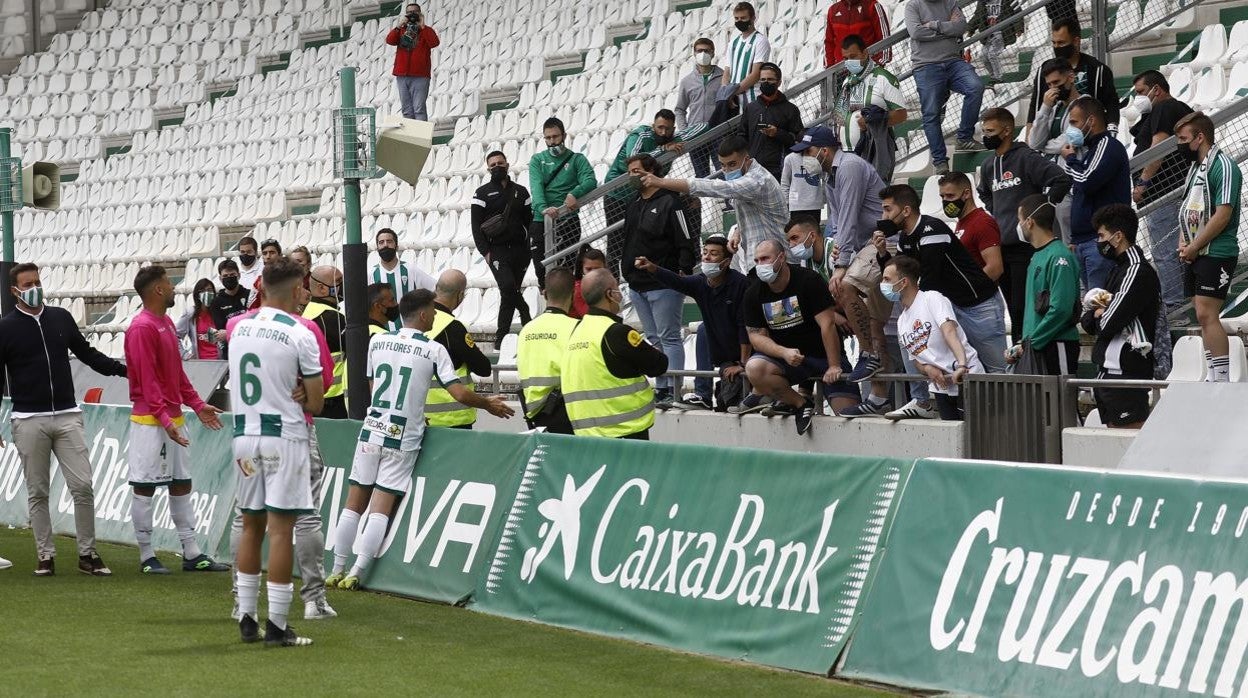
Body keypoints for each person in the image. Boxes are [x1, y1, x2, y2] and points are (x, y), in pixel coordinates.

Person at [328, 289, 514, 592]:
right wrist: (487, 403)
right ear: (425, 314)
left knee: (353, 503)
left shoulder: (377, 341)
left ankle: (336, 568)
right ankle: (357, 571)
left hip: (373, 427)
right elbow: (459, 393)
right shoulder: (433, 349)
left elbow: (374, 384)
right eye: (432, 311)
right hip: (403, 435)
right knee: (380, 505)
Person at [224, 277, 338, 623]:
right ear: (293, 291)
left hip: (245, 435)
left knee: (246, 522)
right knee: (294, 523)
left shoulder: (236, 327)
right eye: (302, 286)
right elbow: (321, 392)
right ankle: (302, 606)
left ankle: (242, 606)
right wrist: (305, 388)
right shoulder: (303, 330)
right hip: (287, 434)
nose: (305, 293)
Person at [0, 263, 126, 576]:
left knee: (82, 485)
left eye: (38, 281)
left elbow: (88, 354)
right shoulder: (5, 327)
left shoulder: (60, 318)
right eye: (28, 283)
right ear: (14, 290)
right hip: (29, 418)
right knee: (37, 491)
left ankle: (88, 553)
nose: (35, 287)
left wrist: (125, 370)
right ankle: (46, 556)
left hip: (68, 414)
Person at [124, 265, 229, 575]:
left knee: (181, 483)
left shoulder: (166, 322)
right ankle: (146, 555)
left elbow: (175, 374)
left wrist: (197, 405)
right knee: (144, 486)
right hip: (149, 420)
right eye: (168, 283)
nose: (172, 288)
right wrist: (164, 419)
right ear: (158, 289)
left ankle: (191, 552)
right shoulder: (142, 327)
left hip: (172, 416)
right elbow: (147, 380)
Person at [873, 184, 1007, 373]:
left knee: (997, 371)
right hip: (950, 307)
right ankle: (924, 401)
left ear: (906, 211)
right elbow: (901, 275)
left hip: (977, 305)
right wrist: (882, 254)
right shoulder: (905, 239)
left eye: (887, 210)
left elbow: (929, 278)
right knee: (964, 370)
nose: (883, 217)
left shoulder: (932, 229)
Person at [807, 127, 892, 409]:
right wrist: (840, 259)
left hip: (884, 241)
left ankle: (867, 354)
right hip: (862, 246)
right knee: (873, 323)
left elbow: (849, 217)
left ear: (824, 150)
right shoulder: (830, 175)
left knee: (846, 286)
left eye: (807, 152)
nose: (805, 158)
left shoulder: (850, 167)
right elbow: (836, 221)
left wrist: (841, 264)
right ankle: (878, 398)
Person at [741, 240, 859, 434]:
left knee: (849, 417)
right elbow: (756, 337)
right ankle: (800, 403)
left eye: (765, 258)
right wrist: (784, 352)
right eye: (757, 260)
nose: (761, 265)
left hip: (823, 356)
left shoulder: (808, 280)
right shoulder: (753, 293)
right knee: (755, 367)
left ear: (782, 257)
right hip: (789, 360)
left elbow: (827, 324)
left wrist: (834, 365)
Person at [977, 107, 1071, 339]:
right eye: (984, 131)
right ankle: (1021, 352)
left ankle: (1027, 350)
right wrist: (998, 214)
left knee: (1024, 305)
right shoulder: (989, 165)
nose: (986, 136)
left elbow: (1061, 179)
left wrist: (1042, 209)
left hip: (1027, 246)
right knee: (1013, 306)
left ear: (1007, 130)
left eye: (991, 131)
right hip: (1003, 247)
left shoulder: (1026, 158)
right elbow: (984, 193)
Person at [636, 234, 751, 411]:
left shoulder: (740, 284)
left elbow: (745, 326)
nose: (706, 257)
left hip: (748, 353)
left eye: (713, 254)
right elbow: (678, 282)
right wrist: (652, 268)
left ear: (726, 262)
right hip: (723, 353)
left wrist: (743, 365)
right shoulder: (701, 282)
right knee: (704, 329)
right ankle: (702, 395)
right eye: (705, 252)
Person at [642, 135, 787, 272]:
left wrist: (661, 182)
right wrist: (738, 231)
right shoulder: (745, 178)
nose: (727, 170)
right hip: (758, 261)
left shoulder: (756, 181)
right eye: (723, 165)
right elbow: (754, 209)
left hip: (777, 261)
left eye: (732, 164)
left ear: (746, 159)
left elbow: (716, 187)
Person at [619, 154, 696, 408]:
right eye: (629, 171)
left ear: (651, 172)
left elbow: (685, 238)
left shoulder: (670, 202)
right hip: (637, 284)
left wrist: (683, 269)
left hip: (663, 282)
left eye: (637, 171)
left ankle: (674, 390)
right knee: (652, 337)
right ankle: (661, 388)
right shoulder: (633, 203)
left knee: (669, 336)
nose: (632, 176)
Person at [561, 269, 668, 439]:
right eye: (617, 288)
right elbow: (659, 365)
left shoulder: (575, 332)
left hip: (587, 436)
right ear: (610, 294)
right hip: (624, 434)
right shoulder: (616, 332)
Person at [1176, 112, 1243, 383]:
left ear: (1200, 137)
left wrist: (1195, 245)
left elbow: (1223, 213)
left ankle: (1223, 379)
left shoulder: (1224, 166)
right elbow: (1189, 208)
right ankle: (1212, 373)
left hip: (1217, 250)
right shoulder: (1195, 168)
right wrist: (1183, 240)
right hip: (1196, 250)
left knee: (1207, 313)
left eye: (1183, 139)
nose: (1179, 145)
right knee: (1201, 316)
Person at [1081, 205, 1159, 428]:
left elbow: (1107, 323)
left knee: (1130, 441)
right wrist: (1097, 313)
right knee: (1113, 443)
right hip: (1108, 372)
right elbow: (1088, 317)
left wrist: (1099, 314)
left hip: (1126, 372)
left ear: (1118, 237)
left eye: (1101, 235)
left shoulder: (1136, 270)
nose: (1099, 242)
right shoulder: (1118, 269)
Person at [886, 255, 983, 420]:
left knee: (978, 438)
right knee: (953, 439)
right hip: (942, 387)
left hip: (967, 379)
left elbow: (949, 331)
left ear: (903, 282)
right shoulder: (902, 321)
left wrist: (962, 364)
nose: (883, 285)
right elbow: (915, 358)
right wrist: (927, 369)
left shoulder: (932, 298)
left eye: (887, 279)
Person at [1130, 70, 1192, 313]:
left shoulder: (1165, 108)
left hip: (1165, 193)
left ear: (1157, 89)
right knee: (1173, 249)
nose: (1138, 98)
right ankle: (1180, 302)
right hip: (1169, 194)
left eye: (1141, 92)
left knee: (1165, 251)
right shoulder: (1166, 110)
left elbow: (1158, 149)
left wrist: (1142, 184)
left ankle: (1174, 305)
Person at [905, 0, 984, 174]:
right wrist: (948, 30)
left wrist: (934, 25)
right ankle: (940, 160)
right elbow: (916, 32)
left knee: (975, 87)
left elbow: (961, 27)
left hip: (953, 61)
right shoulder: (913, 5)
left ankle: (964, 137)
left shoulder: (950, 2)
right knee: (931, 113)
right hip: (926, 66)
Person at [1064, 96, 1132, 291]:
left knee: (1101, 303)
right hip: (1084, 242)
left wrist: (1070, 160)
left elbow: (1086, 181)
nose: (1071, 129)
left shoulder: (1107, 146)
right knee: (1092, 304)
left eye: (1074, 122)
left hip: (1100, 241)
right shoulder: (1089, 152)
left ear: (1091, 121)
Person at [1008, 195, 1081, 374]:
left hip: (1057, 345)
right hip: (1037, 345)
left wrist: (1031, 342)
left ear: (1030, 222)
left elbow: (1061, 309)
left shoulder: (1058, 256)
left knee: (1060, 400)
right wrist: (1024, 344)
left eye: (1020, 220)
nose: (1019, 225)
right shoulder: (1036, 256)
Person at [472, 151, 534, 344]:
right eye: (492, 165)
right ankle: (524, 310)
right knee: (507, 286)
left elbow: (529, 221)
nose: (496, 167)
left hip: (520, 251)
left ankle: (501, 337)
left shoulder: (521, 191)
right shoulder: (481, 193)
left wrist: (529, 248)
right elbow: (476, 227)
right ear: (488, 168)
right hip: (497, 250)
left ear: (507, 164)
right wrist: (486, 253)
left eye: (500, 163)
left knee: (508, 293)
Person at [528, 117, 597, 288]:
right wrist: (543, 208)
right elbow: (536, 187)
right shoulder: (537, 160)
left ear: (564, 135)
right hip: (540, 220)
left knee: (566, 271)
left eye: (556, 137)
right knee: (542, 272)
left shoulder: (576, 159)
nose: (552, 141)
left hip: (568, 219)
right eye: (548, 138)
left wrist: (575, 193)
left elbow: (590, 180)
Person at [1027, 17, 1118, 139]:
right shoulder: (1044, 70)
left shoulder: (1097, 69)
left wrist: (1111, 133)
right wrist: (1029, 139)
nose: (1057, 47)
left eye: (1061, 43)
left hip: (1087, 136)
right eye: (1054, 43)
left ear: (1076, 41)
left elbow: (1111, 104)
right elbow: (1035, 106)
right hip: (1051, 133)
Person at [833, 35, 907, 181]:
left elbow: (901, 115)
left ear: (865, 53)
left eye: (853, 56)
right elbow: (840, 115)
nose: (849, 62)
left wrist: (872, 122)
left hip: (874, 151)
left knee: (873, 197)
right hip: (847, 154)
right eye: (846, 58)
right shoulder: (847, 81)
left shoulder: (883, 77)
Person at [516, 268, 579, 433]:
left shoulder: (527, 330)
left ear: (544, 294)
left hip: (535, 413)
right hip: (567, 412)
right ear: (573, 293)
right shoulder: (576, 328)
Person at [428, 270, 492, 428]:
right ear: (461, 295)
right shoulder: (453, 327)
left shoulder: (416, 320)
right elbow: (483, 368)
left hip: (421, 419)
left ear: (436, 288)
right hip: (453, 420)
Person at [737, 62, 803, 181]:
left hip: (780, 171)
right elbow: (742, 135)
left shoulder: (790, 109)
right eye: (763, 79)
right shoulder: (751, 108)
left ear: (779, 82)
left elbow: (798, 139)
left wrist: (777, 133)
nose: (766, 82)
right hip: (753, 169)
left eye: (770, 79)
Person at [675, 37, 725, 179]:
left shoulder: (724, 77)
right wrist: (685, 131)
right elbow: (680, 109)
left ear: (713, 53)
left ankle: (728, 202)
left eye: (706, 51)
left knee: (723, 173)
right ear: (694, 53)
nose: (703, 54)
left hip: (718, 134)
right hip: (696, 136)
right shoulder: (686, 82)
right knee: (701, 177)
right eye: (699, 51)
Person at [939, 172, 1002, 281]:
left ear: (966, 194)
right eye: (942, 196)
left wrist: (968, 290)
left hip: (983, 296)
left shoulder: (982, 222)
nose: (945, 201)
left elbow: (995, 268)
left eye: (950, 196)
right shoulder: (963, 221)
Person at [370, 227, 435, 332]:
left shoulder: (410, 270)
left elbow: (435, 288)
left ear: (396, 246)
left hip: (409, 334)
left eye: (389, 241)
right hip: (382, 334)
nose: (385, 245)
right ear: (377, 247)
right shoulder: (371, 274)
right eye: (381, 242)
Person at [304, 266, 347, 418]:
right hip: (333, 400)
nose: (343, 285)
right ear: (322, 288)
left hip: (314, 397)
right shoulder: (331, 318)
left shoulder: (308, 313)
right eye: (338, 281)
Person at [386, 2, 439, 121]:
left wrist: (423, 26)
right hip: (402, 75)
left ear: (420, 14)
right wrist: (399, 25)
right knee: (406, 110)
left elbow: (434, 43)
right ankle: (410, 139)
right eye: (409, 12)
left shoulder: (426, 30)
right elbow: (390, 40)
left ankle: (421, 139)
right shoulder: (401, 30)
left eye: (415, 12)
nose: (412, 15)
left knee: (419, 108)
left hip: (420, 75)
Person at [1027, 59, 1081, 162]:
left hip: (1074, 171)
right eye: (1049, 85)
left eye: (1056, 82)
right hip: (1052, 173)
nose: (1053, 88)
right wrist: (1045, 108)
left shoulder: (1086, 105)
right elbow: (1034, 143)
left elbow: (1070, 141)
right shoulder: (1053, 109)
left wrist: (1043, 147)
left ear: (1071, 77)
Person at [724, 2, 771, 104]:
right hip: (734, 101)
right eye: (736, 18)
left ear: (753, 18)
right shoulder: (733, 43)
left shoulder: (760, 41)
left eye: (743, 18)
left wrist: (731, 93)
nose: (739, 21)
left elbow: (756, 74)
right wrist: (725, 94)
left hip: (752, 99)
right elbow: (727, 72)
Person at [968, 0, 1023, 81]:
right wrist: (970, 29)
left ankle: (998, 77)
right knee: (983, 56)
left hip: (1002, 32)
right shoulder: (982, 2)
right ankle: (993, 76)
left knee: (992, 54)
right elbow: (977, 16)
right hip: (987, 33)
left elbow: (1017, 12)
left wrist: (1018, 28)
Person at [825, 0, 891, 67]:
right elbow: (829, 42)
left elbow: (884, 37)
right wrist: (829, 68)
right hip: (841, 69)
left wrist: (879, 63)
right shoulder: (832, 10)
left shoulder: (872, 5)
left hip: (868, 66)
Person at [780, 142, 825, 227]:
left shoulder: (818, 156)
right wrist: (786, 202)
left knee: (814, 229)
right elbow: (785, 182)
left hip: (815, 205)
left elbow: (824, 178)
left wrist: (822, 198)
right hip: (796, 206)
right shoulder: (790, 159)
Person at [176, 278, 223, 360]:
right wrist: (184, 354)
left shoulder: (219, 312)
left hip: (220, 362)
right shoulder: (191, 313)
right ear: (197, 294)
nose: (207, 293)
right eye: (203, 291)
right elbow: (175, 335)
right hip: (200, 363)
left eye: (209, 290)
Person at [210, 259, 250, 332]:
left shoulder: (250, 295)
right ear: (220, 279)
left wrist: (228, 332)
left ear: (239, 275)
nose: (229, 278)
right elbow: (221, 329)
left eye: (232, 275)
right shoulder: (216, 302)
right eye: (225, 276)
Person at [247, 238, 284, 311]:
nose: (268, 257)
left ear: (280, 256)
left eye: (272, 252)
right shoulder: (258, 282)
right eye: (264, 253)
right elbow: (251, 310)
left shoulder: (291, 279)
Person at [571, 247, 605, 319]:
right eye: (589, 269)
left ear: (604, 267)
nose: (593, 273)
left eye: (597, 269)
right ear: (582, 269)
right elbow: (587, 315)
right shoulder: (578, 288)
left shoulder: (608, 284)